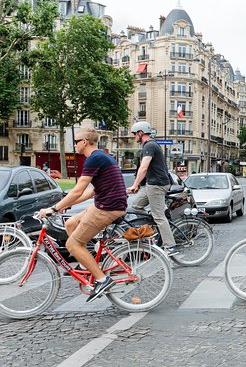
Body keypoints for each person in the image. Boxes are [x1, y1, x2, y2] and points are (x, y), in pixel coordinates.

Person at [37, 128, 127, 302]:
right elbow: (90, 192)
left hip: (108, 207)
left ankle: (102, 279)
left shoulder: (94, 159)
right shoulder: (102, 156)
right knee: (70, 223)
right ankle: (85, 261)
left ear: (84, 142)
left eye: (76, 142)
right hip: (104, 203)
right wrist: (66, 204)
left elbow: (78, 190)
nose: (74, 146)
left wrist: (54, 209)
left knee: (72, 244)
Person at [126, 121, 178, 256]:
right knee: (137, 206)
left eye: (134, 134)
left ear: (140, 133)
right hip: (150, 184)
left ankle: (170, 246)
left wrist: (135, 185)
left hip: (157, 185)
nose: (133, 137)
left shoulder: (149, 146)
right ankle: (152, 227)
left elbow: (144, 168)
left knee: (159, 216)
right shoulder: (149, 146)